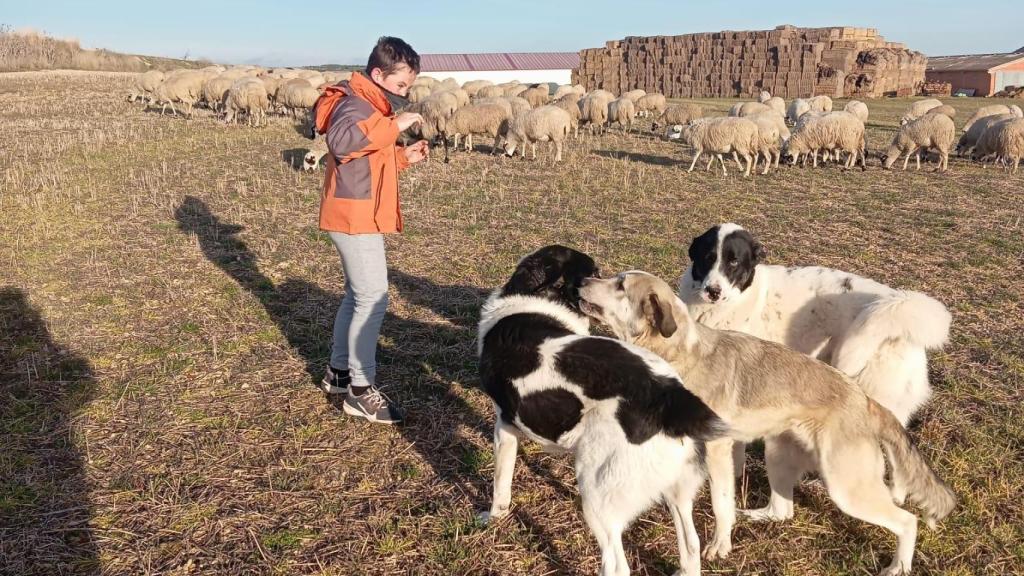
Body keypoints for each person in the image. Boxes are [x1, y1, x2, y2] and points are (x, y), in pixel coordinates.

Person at [318, 36, 428, 424]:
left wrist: (402, 156)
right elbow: (342, 142)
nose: (403, 94)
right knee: (374, 298)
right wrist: (394, 124)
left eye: (408, 89)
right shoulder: (355, 103)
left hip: (356, 210)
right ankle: (361, 391)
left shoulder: (369, 103)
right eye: (400, 86)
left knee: (357, 295)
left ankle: (338, 372)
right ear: (377, 74)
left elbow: (365, 164)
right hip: (355, 216)